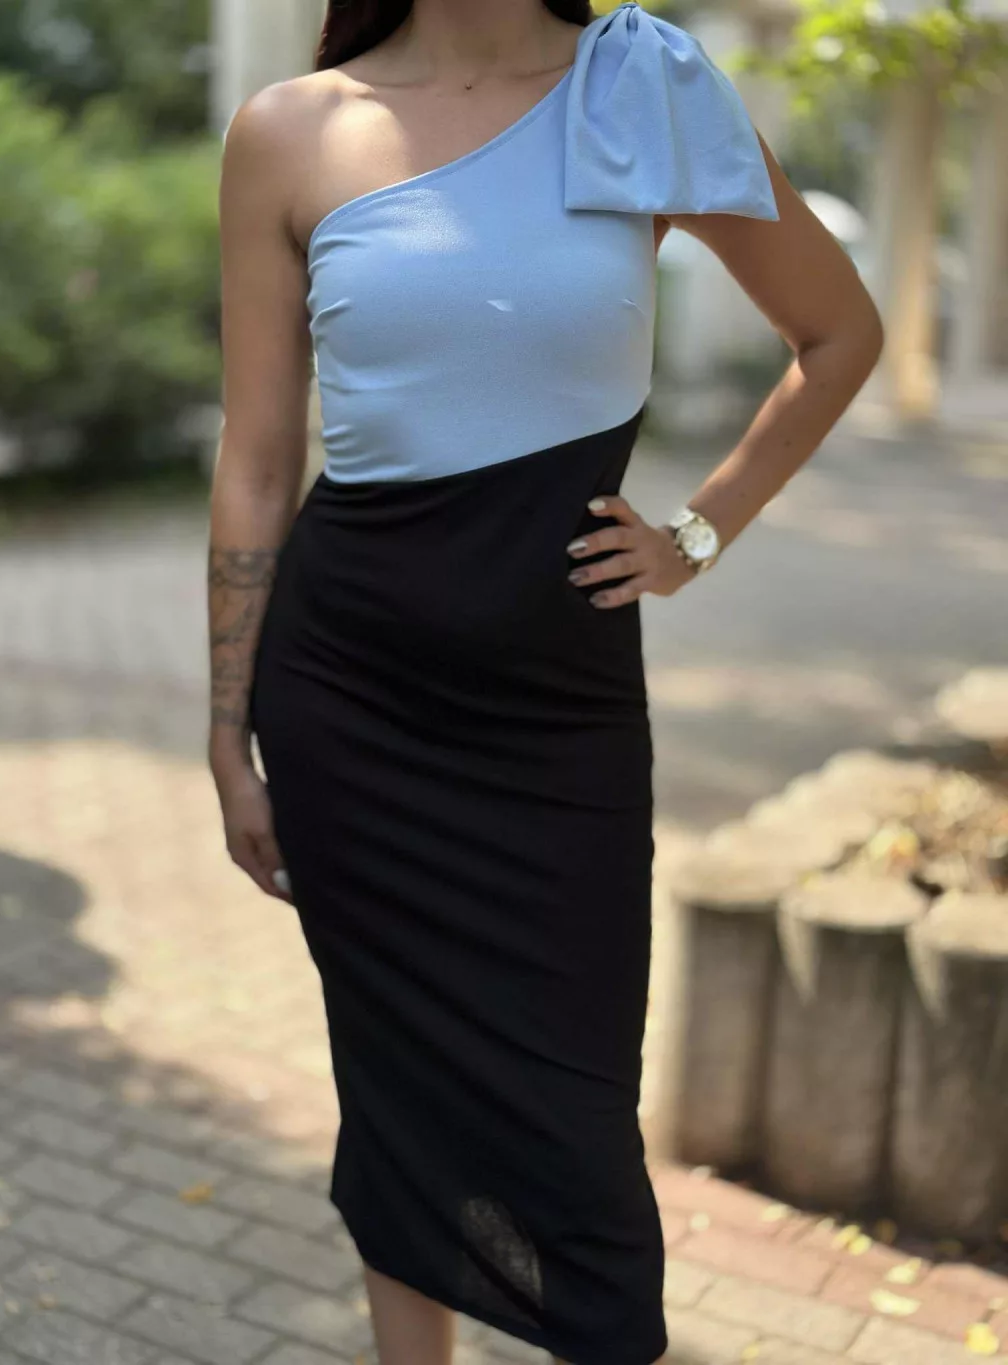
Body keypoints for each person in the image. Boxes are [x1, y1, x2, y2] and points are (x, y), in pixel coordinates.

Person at [207, 0, 883, 1361]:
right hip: (346, 699)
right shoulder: (292, 130)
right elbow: (259, 458)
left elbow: (838, 334)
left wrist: (696, 535)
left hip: (559, 712)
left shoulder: (641, 86)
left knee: (578, 1129)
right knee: (397, 1094)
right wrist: (227, 729)